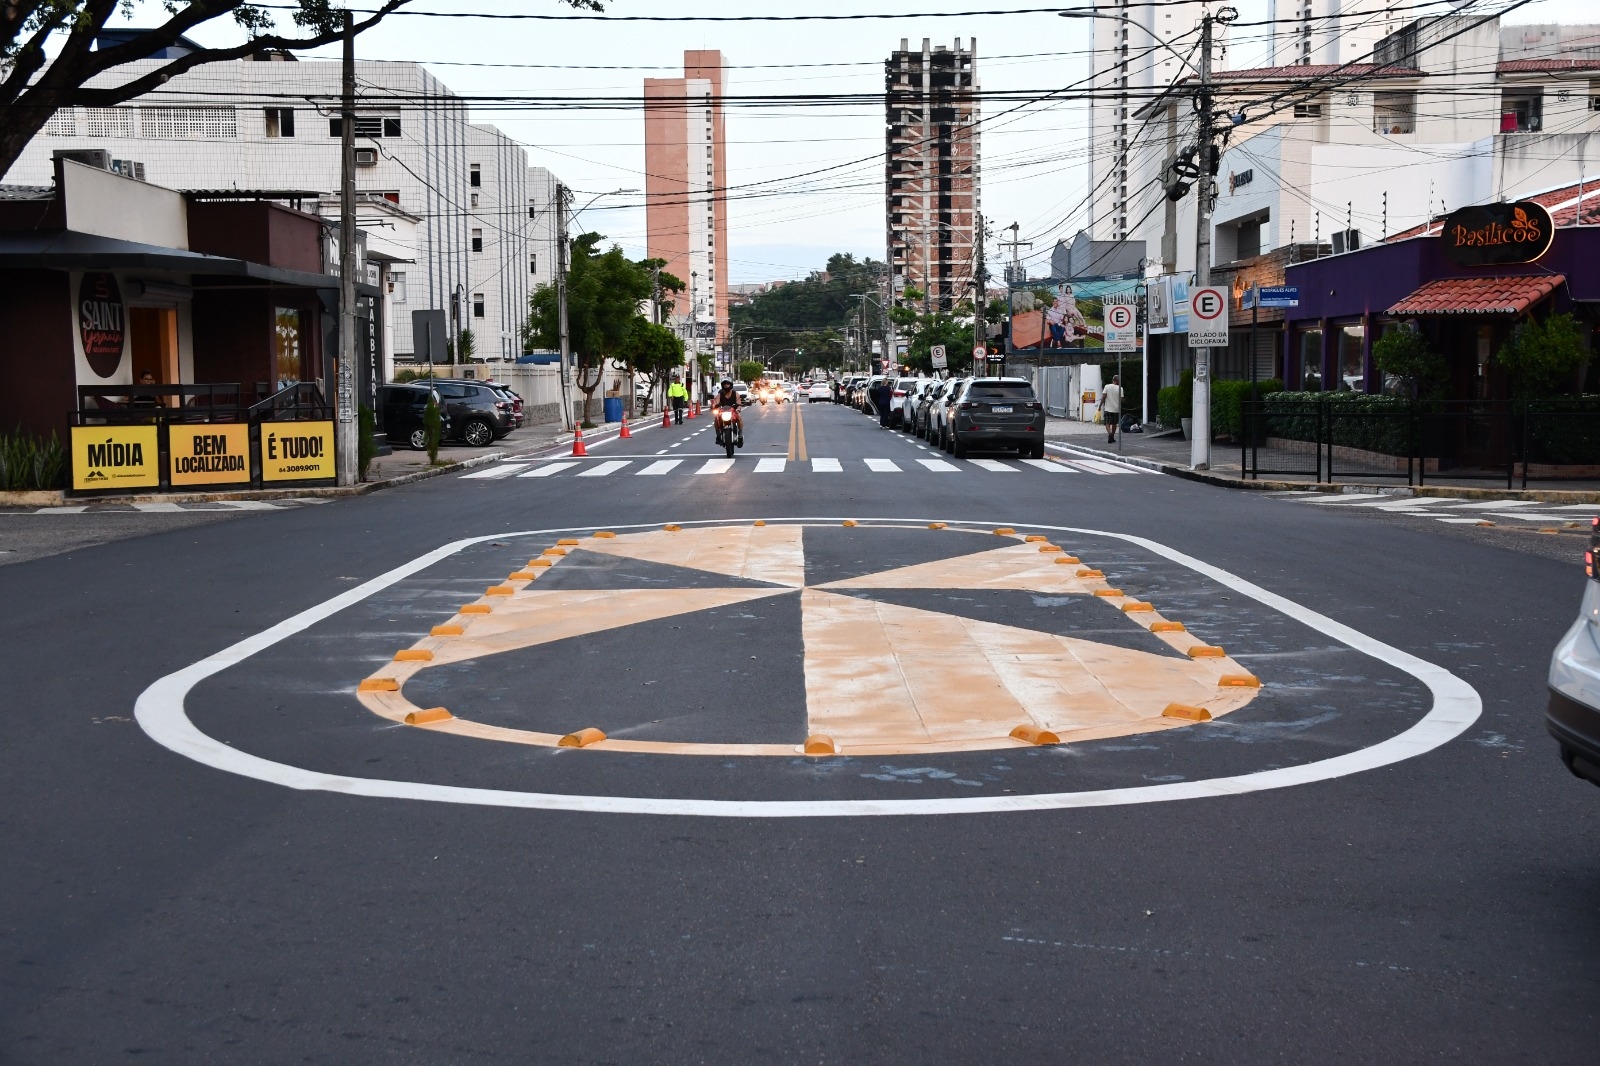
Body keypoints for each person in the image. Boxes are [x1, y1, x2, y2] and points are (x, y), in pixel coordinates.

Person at [1099, 374, 1124, 444]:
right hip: (1116, 409)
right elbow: (1121, 399)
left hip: (1108, 408)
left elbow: (1103, 397)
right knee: (1114, 423)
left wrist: (1100, 406)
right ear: (1118, 381)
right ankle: (1112, 436)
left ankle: (1109, 433)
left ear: (1113, 380)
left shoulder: (1107, 386)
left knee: (1107, 423)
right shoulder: (1120, 388)